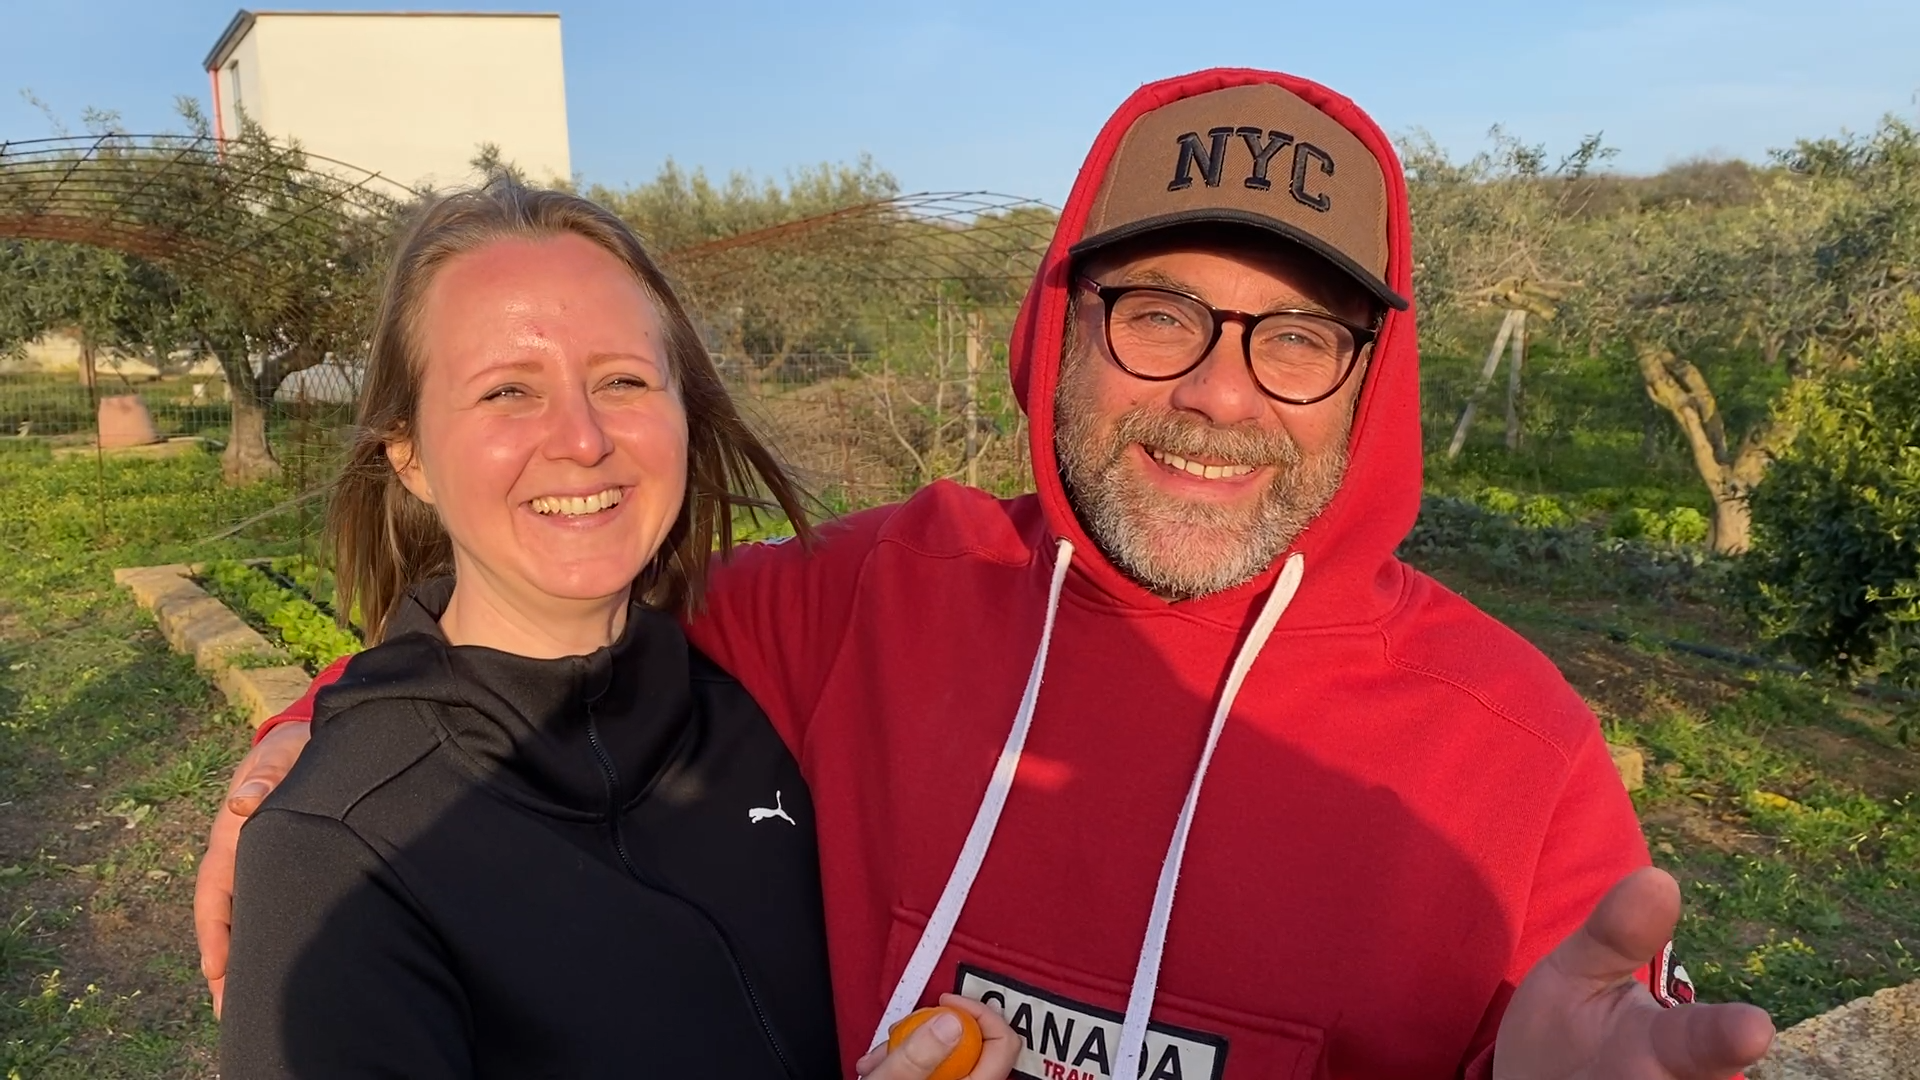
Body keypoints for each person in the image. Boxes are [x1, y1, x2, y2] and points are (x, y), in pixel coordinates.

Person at [199, 70, 1776, 1078]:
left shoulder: (1520, 758)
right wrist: (332, 734)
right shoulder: (867, 599)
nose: (1219, 395)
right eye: (1158, 314)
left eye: (1299, 339)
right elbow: (557, 614)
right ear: (1056, 334)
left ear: (1375, 387)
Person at [216, 180, 1019, 1080]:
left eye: (623, 381)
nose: (584, 438)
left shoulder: (760, 701)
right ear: (409, 456)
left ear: (684, 410)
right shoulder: (335, 851)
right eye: (509, 392)